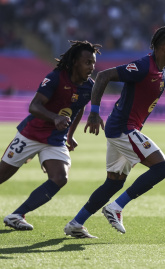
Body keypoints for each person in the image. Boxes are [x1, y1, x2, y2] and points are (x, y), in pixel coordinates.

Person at [64, 26, 165, 238]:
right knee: (163, 168)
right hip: (124, 128)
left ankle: (76, 223)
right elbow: (104, 76)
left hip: (124, 128)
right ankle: (116, 208)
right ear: (164, 48)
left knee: (114, 182)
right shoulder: (143, 67)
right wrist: (94, 113)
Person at [1, 40, 102, 235]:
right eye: (87, 62)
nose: (92, 67)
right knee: (1, 175)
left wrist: (70, 135)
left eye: (93, 63)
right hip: (30, 134)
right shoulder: (55, 78)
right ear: (75, 62)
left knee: (60, 178)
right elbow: (34, 106)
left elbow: (78, 108)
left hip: (55, 139)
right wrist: (55, 117)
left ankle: (17, 215)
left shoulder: (89, 87)